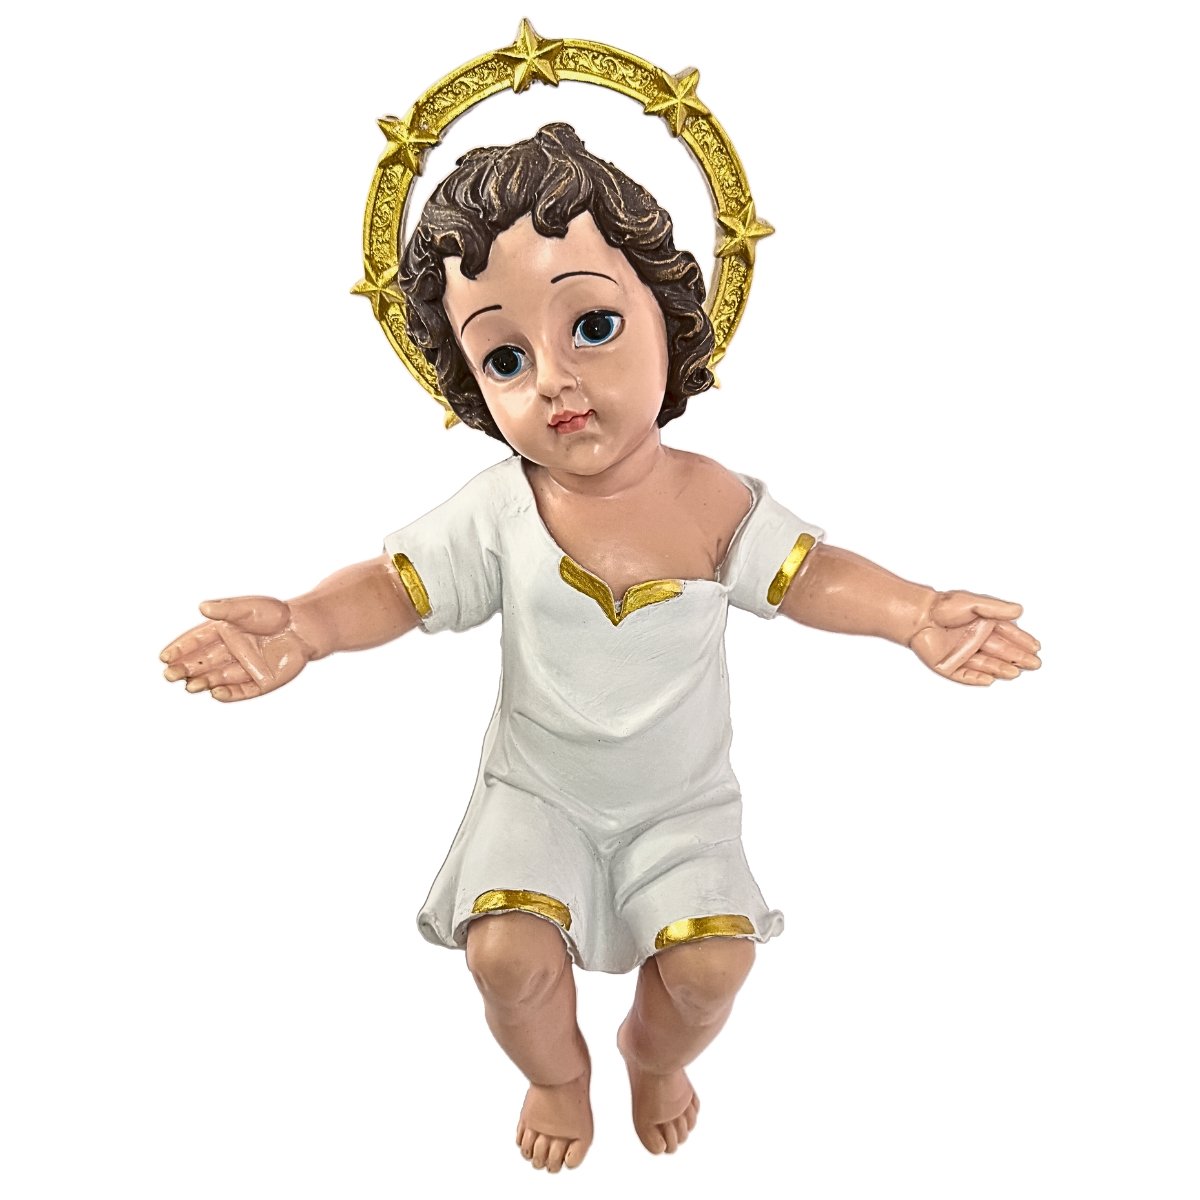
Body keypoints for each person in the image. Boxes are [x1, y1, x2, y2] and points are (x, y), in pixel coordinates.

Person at [161, 123, 1040, 1173]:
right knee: (505, 957)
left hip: (681, 809)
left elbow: (811, 575)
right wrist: (306, 625)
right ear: (470, 383)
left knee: (711, 971)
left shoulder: (711, 502)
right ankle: (556, 1074)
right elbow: (394, 588)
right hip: (537, 796)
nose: (553, 381)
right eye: (505, 358)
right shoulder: (502, 508)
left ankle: (652, 1057)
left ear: (669, 315)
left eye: (592, 324)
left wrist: (913, 612)